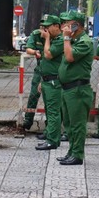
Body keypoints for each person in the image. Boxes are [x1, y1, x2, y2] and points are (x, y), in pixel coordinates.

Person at [57, 11, 94, 166]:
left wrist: (66, 38)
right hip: (67, 89)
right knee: (69, 124)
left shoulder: (84, 41)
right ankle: (71, 151)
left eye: (67, 23)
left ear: (76, 25)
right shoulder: (72, 40)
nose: (63, 26)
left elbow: (70, 57)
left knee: (77, 125)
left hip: (78, 90)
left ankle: (77, 154)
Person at [35, 14, 64, 150]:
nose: (45, 30)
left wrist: (46, 39)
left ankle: (52, 140)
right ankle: (51, 137)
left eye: (48, 27)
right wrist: (42, 80)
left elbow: (48, 55)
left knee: (53, 112)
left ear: (56, 26)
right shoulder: (52, 40)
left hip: (54, 82)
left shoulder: (60, 40)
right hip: (47, 80)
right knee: (49, 111)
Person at [23, 19, 45, 131]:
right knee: (33, 95)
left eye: (45, 27)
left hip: (52, 71)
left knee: (49, 98)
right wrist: (35, 52)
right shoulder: (36, 35)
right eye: (42, 26)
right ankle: (28, 120)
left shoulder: (56, 37)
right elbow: (28, 48)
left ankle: (50, 124)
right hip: (40, 69)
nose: (43, 29)